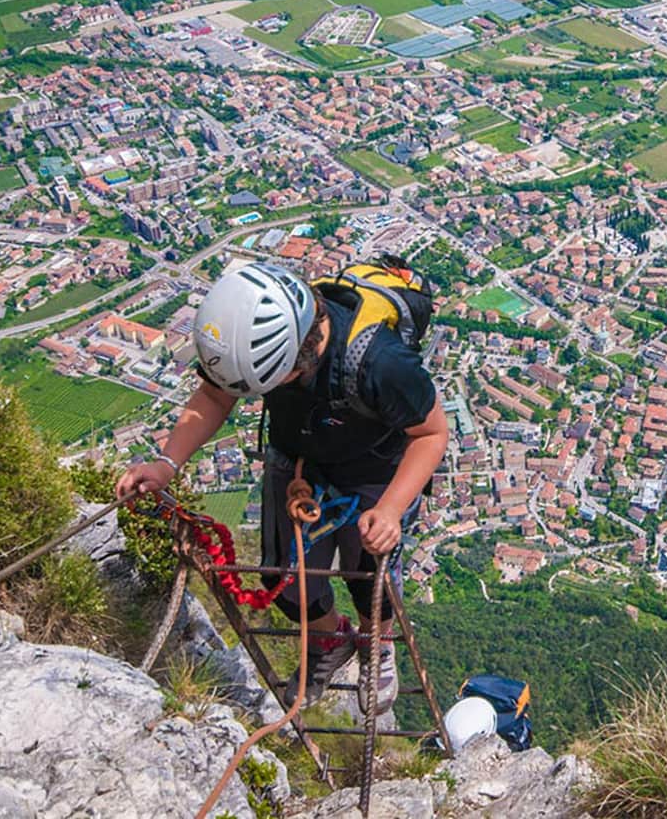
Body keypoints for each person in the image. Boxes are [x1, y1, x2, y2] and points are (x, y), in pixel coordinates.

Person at [117, 259, 447, 715]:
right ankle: (332, 642)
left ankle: (378, 646)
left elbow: (431, 434)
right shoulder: (250, 335)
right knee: (284, 582)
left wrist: (390, 509)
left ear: (302, 356)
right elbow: (214, 395)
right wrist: (168, 463)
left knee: (368, 576)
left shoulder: (381, 362)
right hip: (299, 460)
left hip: (376, 469)